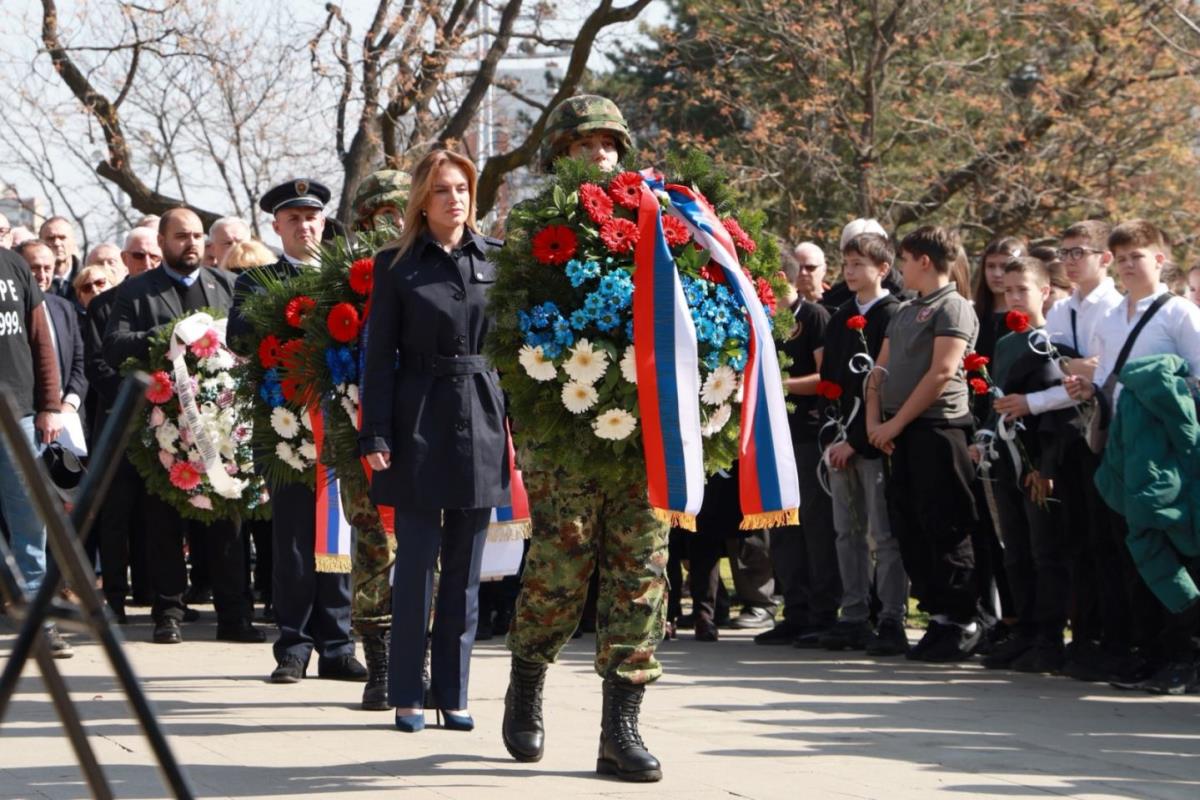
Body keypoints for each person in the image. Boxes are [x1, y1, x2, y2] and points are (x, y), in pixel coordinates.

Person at [502, 95, 666, 783]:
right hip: (564, 426)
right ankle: (529, 675)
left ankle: (619, 730)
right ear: (559, 156)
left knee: (641, 569)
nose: (599, 155)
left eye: (608, 144)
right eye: (583, 145)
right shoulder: (529, 228)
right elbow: (509, 337)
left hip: (641, 432)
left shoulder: (659, 224)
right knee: (563, 564)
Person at [359, 149, 508, 733]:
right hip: (417, 413)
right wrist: (374, 430)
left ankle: (455, 691)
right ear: (423, 198)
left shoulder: (493, 258)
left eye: (463, 189)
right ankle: (408, 694)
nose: (455, 199)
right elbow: (378, 357)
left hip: (480, 414)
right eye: (443, 189)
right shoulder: (395, 265)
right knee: (418, 564)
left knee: (466, 570)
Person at [102, 208, 264, 645]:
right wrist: (170, 336)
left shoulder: (228, 286)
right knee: (163, 524)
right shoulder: (137, 291)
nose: (191, 244)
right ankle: (167, 612)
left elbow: (252, 343)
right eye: (181, 236)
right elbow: (114, 347)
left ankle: (235, 616)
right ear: (163, 239)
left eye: (197, 237)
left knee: (228, 521)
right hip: (163, 430)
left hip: (220, 429)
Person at [228, 180, 367, 686]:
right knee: (291, 540)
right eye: (293, 219)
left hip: (342, 424)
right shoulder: (258, 280)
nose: (305, 226)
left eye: (312, 217)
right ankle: (293, 646)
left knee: (340, 533)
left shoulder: (344, 279)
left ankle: (337, 645)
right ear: (276, 227)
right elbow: (239, 335)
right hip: (286, 424)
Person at [1067, 219, 1200, 692]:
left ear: (1159, 260)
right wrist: (1087, 387)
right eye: (1120, 258)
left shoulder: (1179, 313)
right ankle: (1150, 651)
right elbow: (1106, 382)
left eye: (1136, 256)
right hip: (1122, 444)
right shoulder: (1109, 317)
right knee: (1131, 551)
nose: (1126, 265)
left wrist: (1156, 389)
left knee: (1170, 547)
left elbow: (1196, 381)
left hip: (1165, 449)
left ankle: (1183, 656)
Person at [867, 225, 981, 662]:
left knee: (946, 523)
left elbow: (942, 372)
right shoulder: (905, 309)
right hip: (901, 431)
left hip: (938, 429)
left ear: (925, 262)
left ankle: (962, 618)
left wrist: (895, 426)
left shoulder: (952, 307)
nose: (901, 269)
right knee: (909, 524)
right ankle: (936, 616)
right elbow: (880, 370)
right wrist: (877, 421)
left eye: (905, 261)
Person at [976, 257, 1070, 673]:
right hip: (1005, 458)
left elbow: (1058, 410)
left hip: (1037, 458)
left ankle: (1049, 636)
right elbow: (997, 397)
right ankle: (1025, 630)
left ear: (1044, 292)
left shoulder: (1054, 339)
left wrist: (1046, 465)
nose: (1013, 297)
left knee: (1043, 549)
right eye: (1007, 291)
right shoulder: (1006, 341)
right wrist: (985, 437)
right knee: (1014, 549)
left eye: (1022, 290)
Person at [819, 233, 907, 655]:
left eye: (859, 264)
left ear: (883, 269)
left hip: (873, 440)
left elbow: (885, 383)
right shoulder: (840, 317)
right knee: (845, 531)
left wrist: (857, 440)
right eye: (847, 264)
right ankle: (854, 613)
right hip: (841, 439)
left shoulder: (894, 314)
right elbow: (833, 380)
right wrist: (835, 436)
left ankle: (891, 615)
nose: (850, 272)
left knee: (882, 532)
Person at [756, 242, 838, 648]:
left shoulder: (816, 317)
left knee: (814, 528)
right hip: (774, 435)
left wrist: (778, 384)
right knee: (782, 527)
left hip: (806, 435)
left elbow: (824, 377)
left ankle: (823, 613)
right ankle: (795, 609)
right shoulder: (766, 320)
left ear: (781, 278)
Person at [84, 228, 162, 621]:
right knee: (114, 518)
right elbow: (97, 364)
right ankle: (113, 598)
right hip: (117, 427)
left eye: (152, 257)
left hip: (165, 428)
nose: (146, 264)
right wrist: (139, 398)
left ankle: (159, 598)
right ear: (123, 259)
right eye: (137, 256)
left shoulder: (165, 297)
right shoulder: (104, 305)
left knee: (159, 516)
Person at [0, 246, 69, 655]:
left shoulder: (13, 264)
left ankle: (38, 621)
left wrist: (50, 405)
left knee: (29, 522)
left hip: (20, 413)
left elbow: (40, 339)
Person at [39, 216, 81, 301]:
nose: (57, 243)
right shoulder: (32, 281)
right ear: (40, 242)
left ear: (73, 241)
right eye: (50, 238)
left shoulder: (88, 281)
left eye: (62, 238)